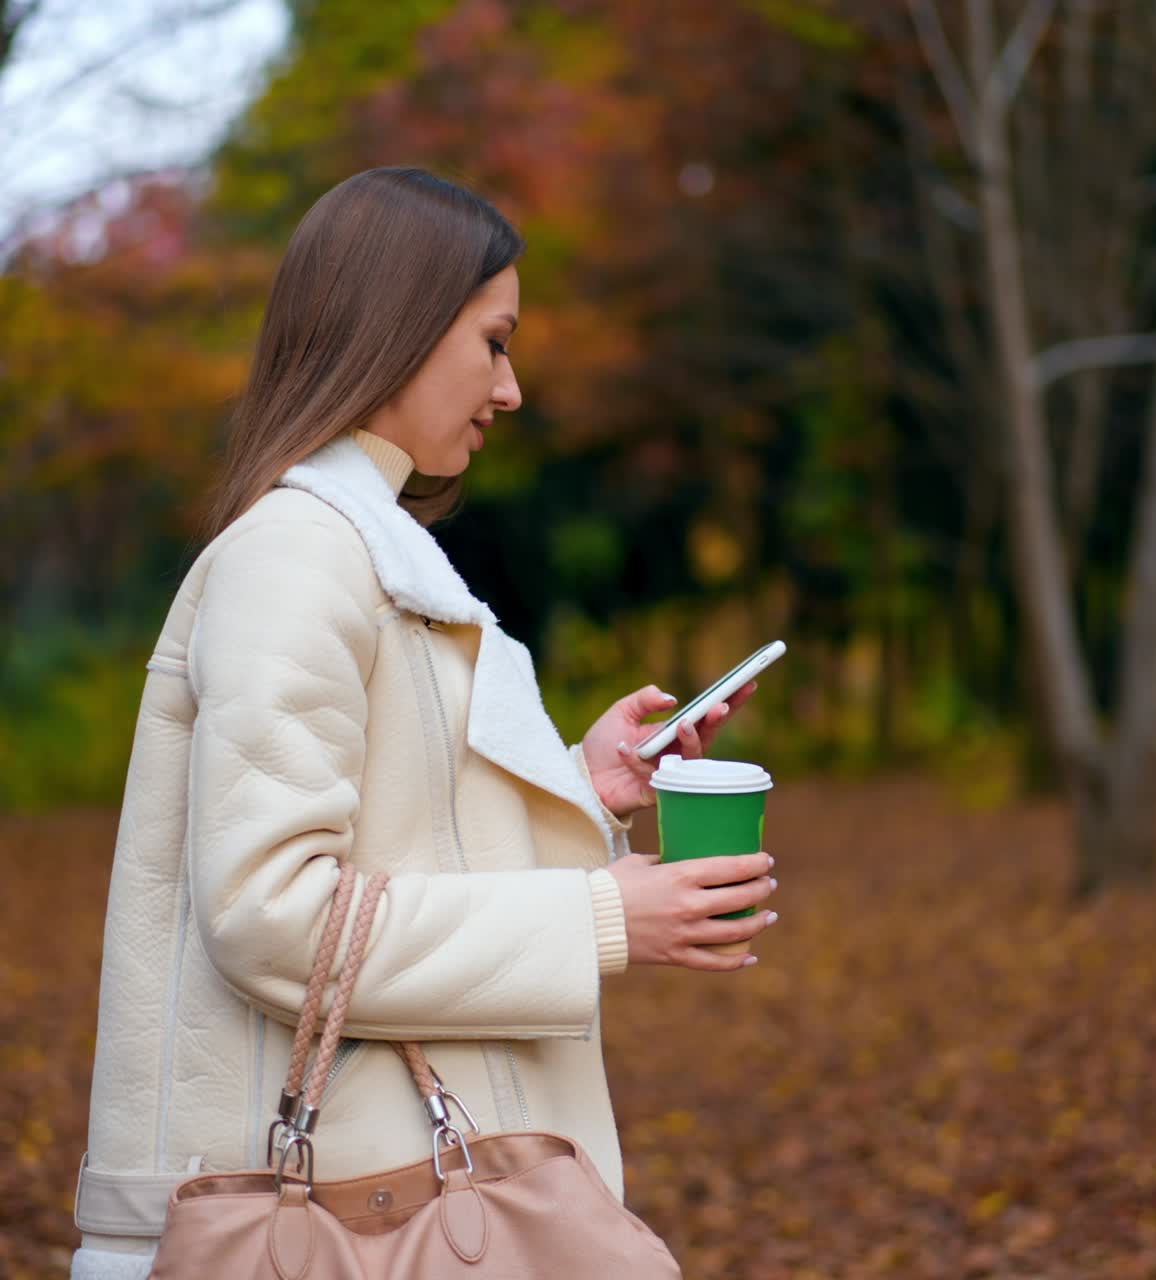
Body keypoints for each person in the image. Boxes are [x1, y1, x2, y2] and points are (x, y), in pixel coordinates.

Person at [70, 166, 778, 1279]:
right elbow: (271, 910)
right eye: (493, 342)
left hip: (392, 1188)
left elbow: (402, 844)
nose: (511, 389)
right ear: (397, 327)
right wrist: (600, 917)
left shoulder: (361, 556)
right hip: (347, 1212)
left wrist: (583, 788)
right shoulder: (300, 557)